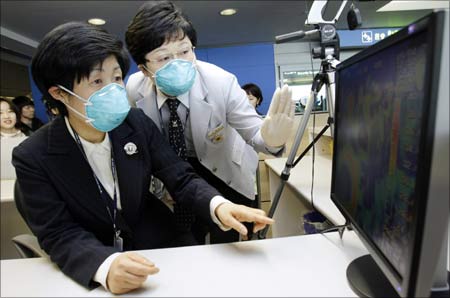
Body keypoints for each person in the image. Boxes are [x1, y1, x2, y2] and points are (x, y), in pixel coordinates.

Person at [12, 22, 273, 295]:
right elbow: (58, 232)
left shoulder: (134, 123)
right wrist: (104, 267)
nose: (113, 90)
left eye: (116, 78)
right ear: (60, 94)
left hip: (162, 247)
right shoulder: (34, 156)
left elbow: (179, 176)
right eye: (97, 82)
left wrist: (219, 205)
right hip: (96, 256)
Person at [125, 0, 294, 244]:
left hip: (225, 173)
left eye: (185, 51)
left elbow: (257, 136)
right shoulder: (134, 89)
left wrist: (272, 140)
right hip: (175, 177)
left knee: (231, 248)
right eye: (163, 58)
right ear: (144, 69)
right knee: (184, 244)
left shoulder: (221, 83)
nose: (179, 63)